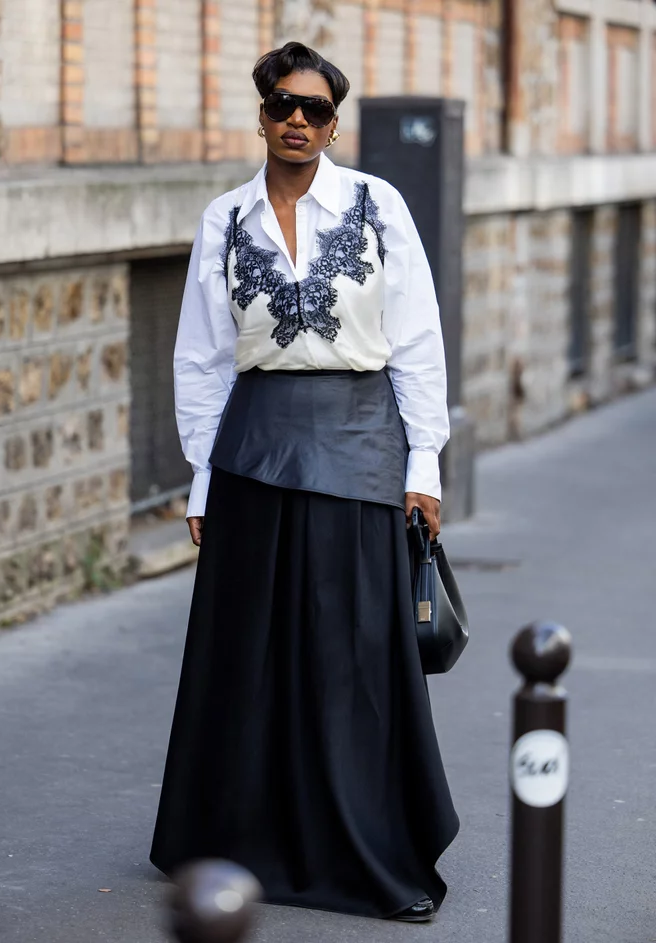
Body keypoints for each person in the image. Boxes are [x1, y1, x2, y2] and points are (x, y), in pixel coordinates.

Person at [150, 41, 459, 923]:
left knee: (352, 655)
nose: (298, 121)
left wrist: (423, 463)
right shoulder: (226, 218)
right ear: (261, 112)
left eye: (316, 110)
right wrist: (203, 478)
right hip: (252, 453)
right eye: (284, 104)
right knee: (246, 655)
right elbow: (202, 359)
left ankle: (366, 850)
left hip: (361, 446)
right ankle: (241, 840)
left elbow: (418, 343)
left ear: (333, 122)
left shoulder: (376, 205)